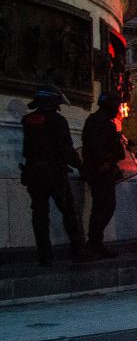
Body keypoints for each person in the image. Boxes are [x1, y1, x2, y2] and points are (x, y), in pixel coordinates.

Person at [20, 85, 93, 266]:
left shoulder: (28, 119)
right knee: (68, 211)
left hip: (33, 173)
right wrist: (81, 167)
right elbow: (66, 149)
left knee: (39, 214)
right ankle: (78, 250)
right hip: (54, 173)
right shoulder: (58, 120)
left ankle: (45, 255)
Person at [80, 92, 125, 258]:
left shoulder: (95, 120)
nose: (118, 109)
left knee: (101, 206)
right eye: (116, 105)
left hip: (97, 168)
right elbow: (100, 148)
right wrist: (107, 159)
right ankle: (94, 243)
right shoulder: (104, 123)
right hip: (102, 170)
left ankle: (95, 242)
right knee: (104, 206)